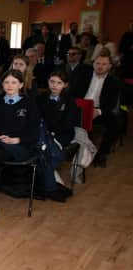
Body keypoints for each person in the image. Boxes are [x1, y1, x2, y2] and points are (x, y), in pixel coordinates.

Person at [0, 70, 40, 218]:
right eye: (6, 82)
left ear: (21, 85)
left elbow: (34, 134)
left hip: (21, 147)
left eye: (14, 82)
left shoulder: (29, 104)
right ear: (2, 84)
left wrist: (18, 139)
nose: (10, 86)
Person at [69, 52, 121, 167]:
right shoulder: (83, 76)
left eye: (104, 64)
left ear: (109, 66)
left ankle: (101, 154)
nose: (100, 66)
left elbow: (111, 104)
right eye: (97, 63)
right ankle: (75, 148)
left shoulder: (114, 82)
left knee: (115, 124)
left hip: (99, 111)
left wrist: (98, 111)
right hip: (81, 107)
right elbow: (72, 94)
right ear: (93, 64)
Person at [36, 71, 80, 201]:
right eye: (52, 82)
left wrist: (52, 133)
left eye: (59, 83)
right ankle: (50, 185)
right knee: (42, 145)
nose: (54, 85)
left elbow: (69, 123)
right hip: (44, 134)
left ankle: (44, 183)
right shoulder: (40, 98)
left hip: (62, 134)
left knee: (43, 153)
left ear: (65, 85)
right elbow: (37, 119)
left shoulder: (70, 101)